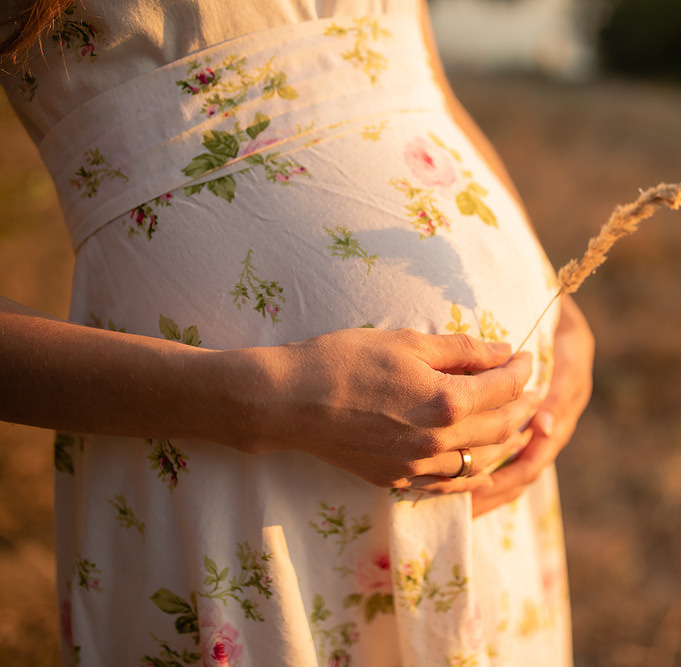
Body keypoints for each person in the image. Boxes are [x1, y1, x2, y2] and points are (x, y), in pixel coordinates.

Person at [0, 0, 594, 665]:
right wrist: (260, 400)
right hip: (221, 460)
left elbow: (421, 82)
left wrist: (554, 297)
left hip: (477, 474)